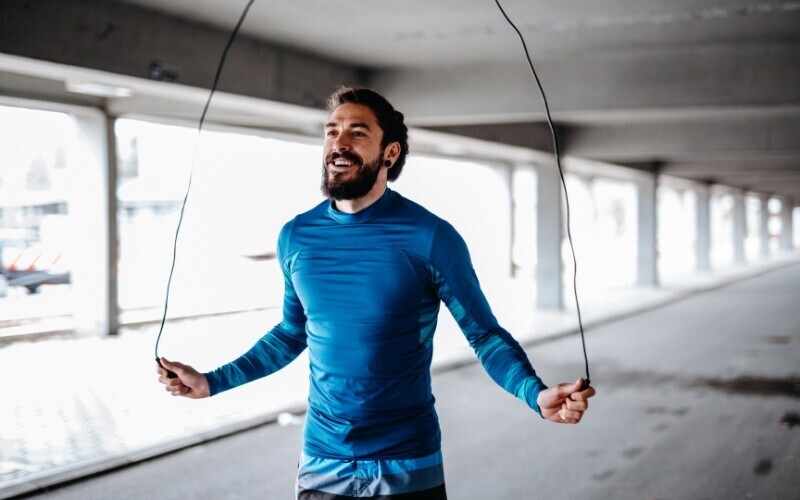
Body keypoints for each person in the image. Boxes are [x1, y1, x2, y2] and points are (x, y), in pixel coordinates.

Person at [157, 86, 596, 499]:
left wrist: (533, 394)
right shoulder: (296, 236)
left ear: (390, 152)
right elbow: (291, 333)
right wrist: (212, 382)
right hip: (322, 462)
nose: (339, 142)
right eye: (332, 131)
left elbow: (484, 335)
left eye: (357, 132)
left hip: (407, 462)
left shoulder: (431, 237)